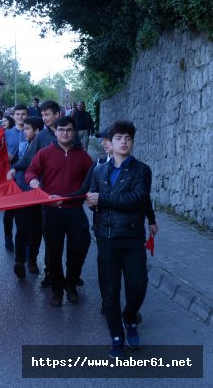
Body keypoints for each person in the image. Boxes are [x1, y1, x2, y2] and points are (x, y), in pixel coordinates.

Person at [86, 121, 152, 358]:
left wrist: (101, 199)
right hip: (106, 238)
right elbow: (93, 202)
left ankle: (130, 318)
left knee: (138, 286)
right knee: (110, 292)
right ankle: (116, 336)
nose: (124, 142)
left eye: (128, 138)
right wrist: (92, 203)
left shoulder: (142, 170)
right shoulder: (99, 171)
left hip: (132, 237)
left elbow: (137, 200)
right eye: (119, 138)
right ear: (110, 144)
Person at [25, 116, 93, 307]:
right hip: (51, 210)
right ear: (55, 131)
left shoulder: (83, 156)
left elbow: (93, 179)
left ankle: (70, 283)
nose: (65, 133)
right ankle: (57, 290)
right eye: (61, 129)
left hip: (75, 210)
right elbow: (31, 171)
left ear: (74, 132)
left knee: (78, 248)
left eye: (69, 130)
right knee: (53, 252)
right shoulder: (45, 153)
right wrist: (33, 181)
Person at [9, 116, 44, 278]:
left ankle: (32, 259)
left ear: (37, 131)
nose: (24, 131)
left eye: (28, 129)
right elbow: (19, 162)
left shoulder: (44, 147)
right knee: (22, 228)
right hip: (21, 192)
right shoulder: (23, 145)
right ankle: (19, 260)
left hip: (38, 194)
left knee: (37, 230)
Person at [2, 104, 29, 253]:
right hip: (10, 175)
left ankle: (24, 240)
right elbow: (0, 153)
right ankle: (7, 237)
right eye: (17, 114)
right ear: (14, 116)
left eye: (23, 114)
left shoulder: (31, 131)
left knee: (25, 210)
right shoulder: (7, 133)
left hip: (27, 175)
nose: (20, 117)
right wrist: (7, 158)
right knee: (10, 210)